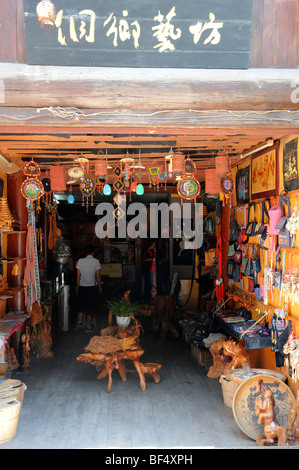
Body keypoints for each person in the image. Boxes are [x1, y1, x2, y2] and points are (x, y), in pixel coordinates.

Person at [76, 244, 102, 332]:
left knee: (81, 304)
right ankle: (88, 326)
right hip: (92, 287)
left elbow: (78, 276)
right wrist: (100, 287)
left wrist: (77, 287)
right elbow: (98, 276)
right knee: (90, 306)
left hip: (82, 286)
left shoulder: (80, 261)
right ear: (93, 252)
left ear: (86, 252)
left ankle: (79, 322)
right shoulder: (96, 261)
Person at [141, 239, 155, 304]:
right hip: (147, 270)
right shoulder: (145, 250)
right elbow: (143, 259)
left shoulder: (150, 250)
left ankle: (148, 298)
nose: (153, 245)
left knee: (149, 285)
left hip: (151, 269)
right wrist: (152, 258)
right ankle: (147, 299)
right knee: (148, 285)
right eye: (152, 244)